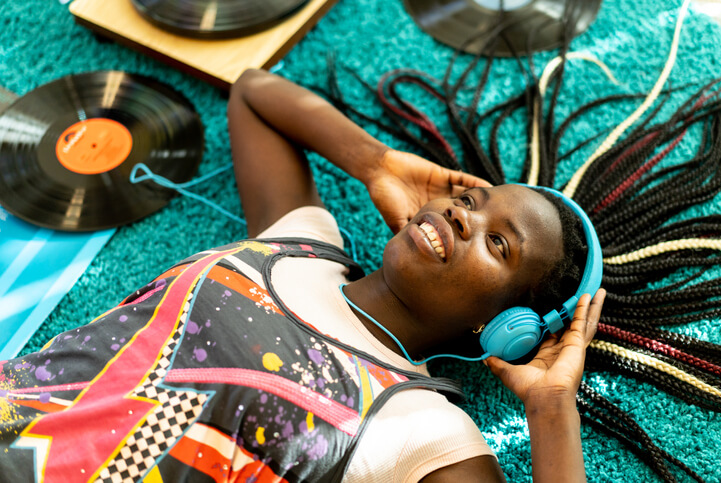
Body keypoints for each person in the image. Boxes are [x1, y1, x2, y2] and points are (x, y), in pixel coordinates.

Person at [0, 68, 604, 483]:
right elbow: (256, 95)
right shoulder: (304, 241)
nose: (462, 215)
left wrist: (551, 409)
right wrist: (376, 163)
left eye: (498, 242)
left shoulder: (425, 427)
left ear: (507, 327)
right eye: (474, 200)